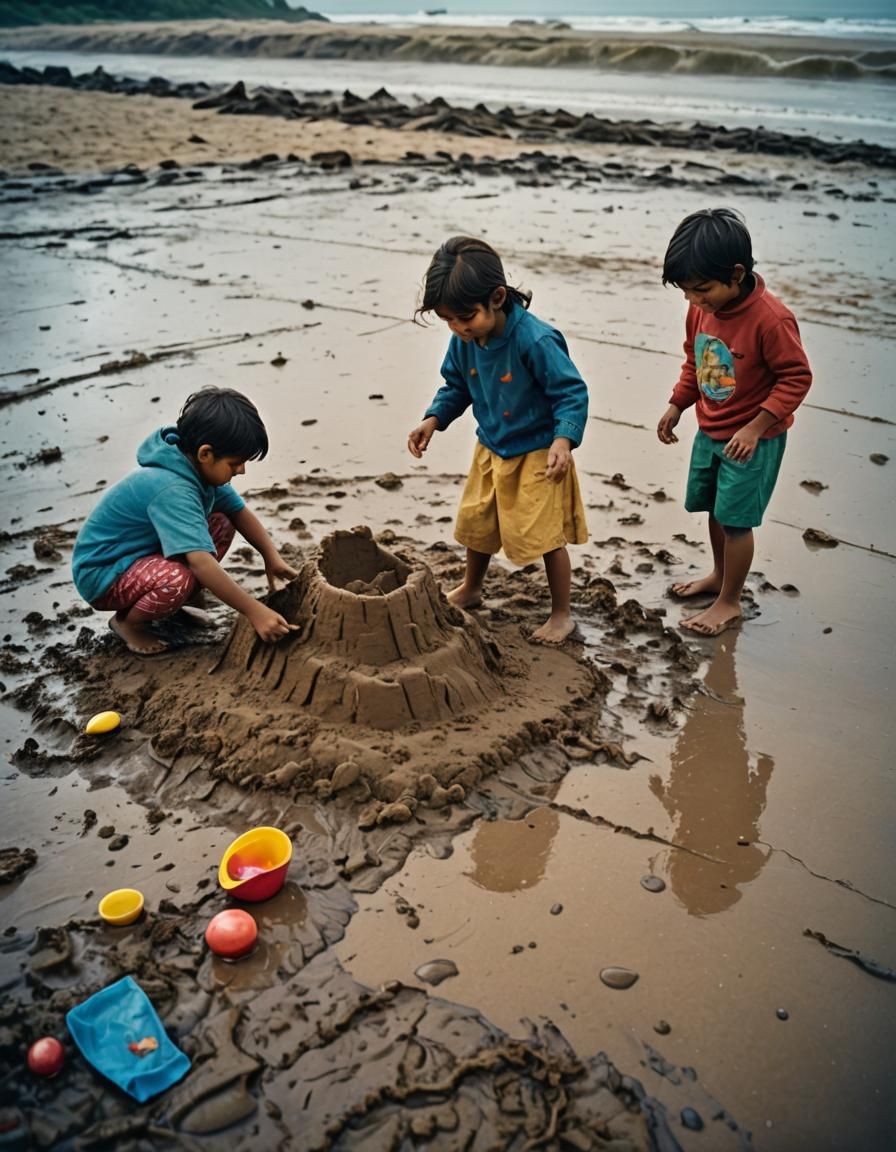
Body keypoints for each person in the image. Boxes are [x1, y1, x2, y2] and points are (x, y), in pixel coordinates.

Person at [407, 236, 589, 644]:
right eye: (448, 320)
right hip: (491, 447)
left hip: (539, 452)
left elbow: (571, 393)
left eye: (465, 317)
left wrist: (564, 441)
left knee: (545, 535)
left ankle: (562, 614)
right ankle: (472, 588)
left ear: (497, 297)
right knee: (477, 523)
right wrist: (433, 419)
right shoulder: (465, 340)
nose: (457, 328)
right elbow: (456, 385)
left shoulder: (536, 340)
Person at [657, 208, 812, 636]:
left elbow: (797, 377)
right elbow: (696, 360)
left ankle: (729, 601)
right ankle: (718, 576)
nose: (693, 300)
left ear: (736, 273)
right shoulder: (702, 309)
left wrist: (756, 427)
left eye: (701, 290)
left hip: (752, 439)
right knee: (715, 509)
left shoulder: (771, 319)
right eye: (686, 291)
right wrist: (677, 404)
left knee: (736, 519)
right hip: (712, 428)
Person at [72, 387, 298, 655]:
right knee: (176, 579)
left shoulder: (196, 468)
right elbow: (200, 563)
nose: (242, 470)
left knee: (222, 521)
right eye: (236, 463)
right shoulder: (173, 488)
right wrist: (255, 611)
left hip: (138, 556)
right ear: (206, 454)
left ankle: (169, 608)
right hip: (103, 574)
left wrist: (271, 558)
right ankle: (127, 622)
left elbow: (238, 511)